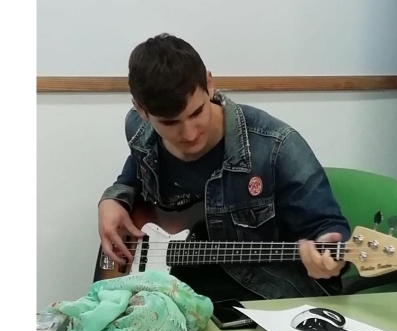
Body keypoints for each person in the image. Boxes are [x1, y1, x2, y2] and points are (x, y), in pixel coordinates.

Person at [98, 33, 351, 301]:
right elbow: (136, 172)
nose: (190, 133)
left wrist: (329, 255)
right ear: (142, 111)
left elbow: (327, 226)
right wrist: (114, 198)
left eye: (196, 113)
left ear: (209, 84)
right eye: (170, 124)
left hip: (253, 301)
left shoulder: (275, 145)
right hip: (165, 297)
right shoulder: (139, 130)